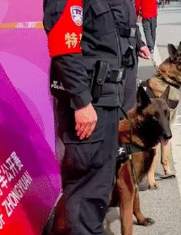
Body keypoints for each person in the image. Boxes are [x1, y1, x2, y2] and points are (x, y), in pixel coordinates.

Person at [43, 0, 149, 234]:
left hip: (107, 100)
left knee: (99, 184)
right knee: (86, 185)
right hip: (88, 104)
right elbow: (64, 44)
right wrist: (82, 101)